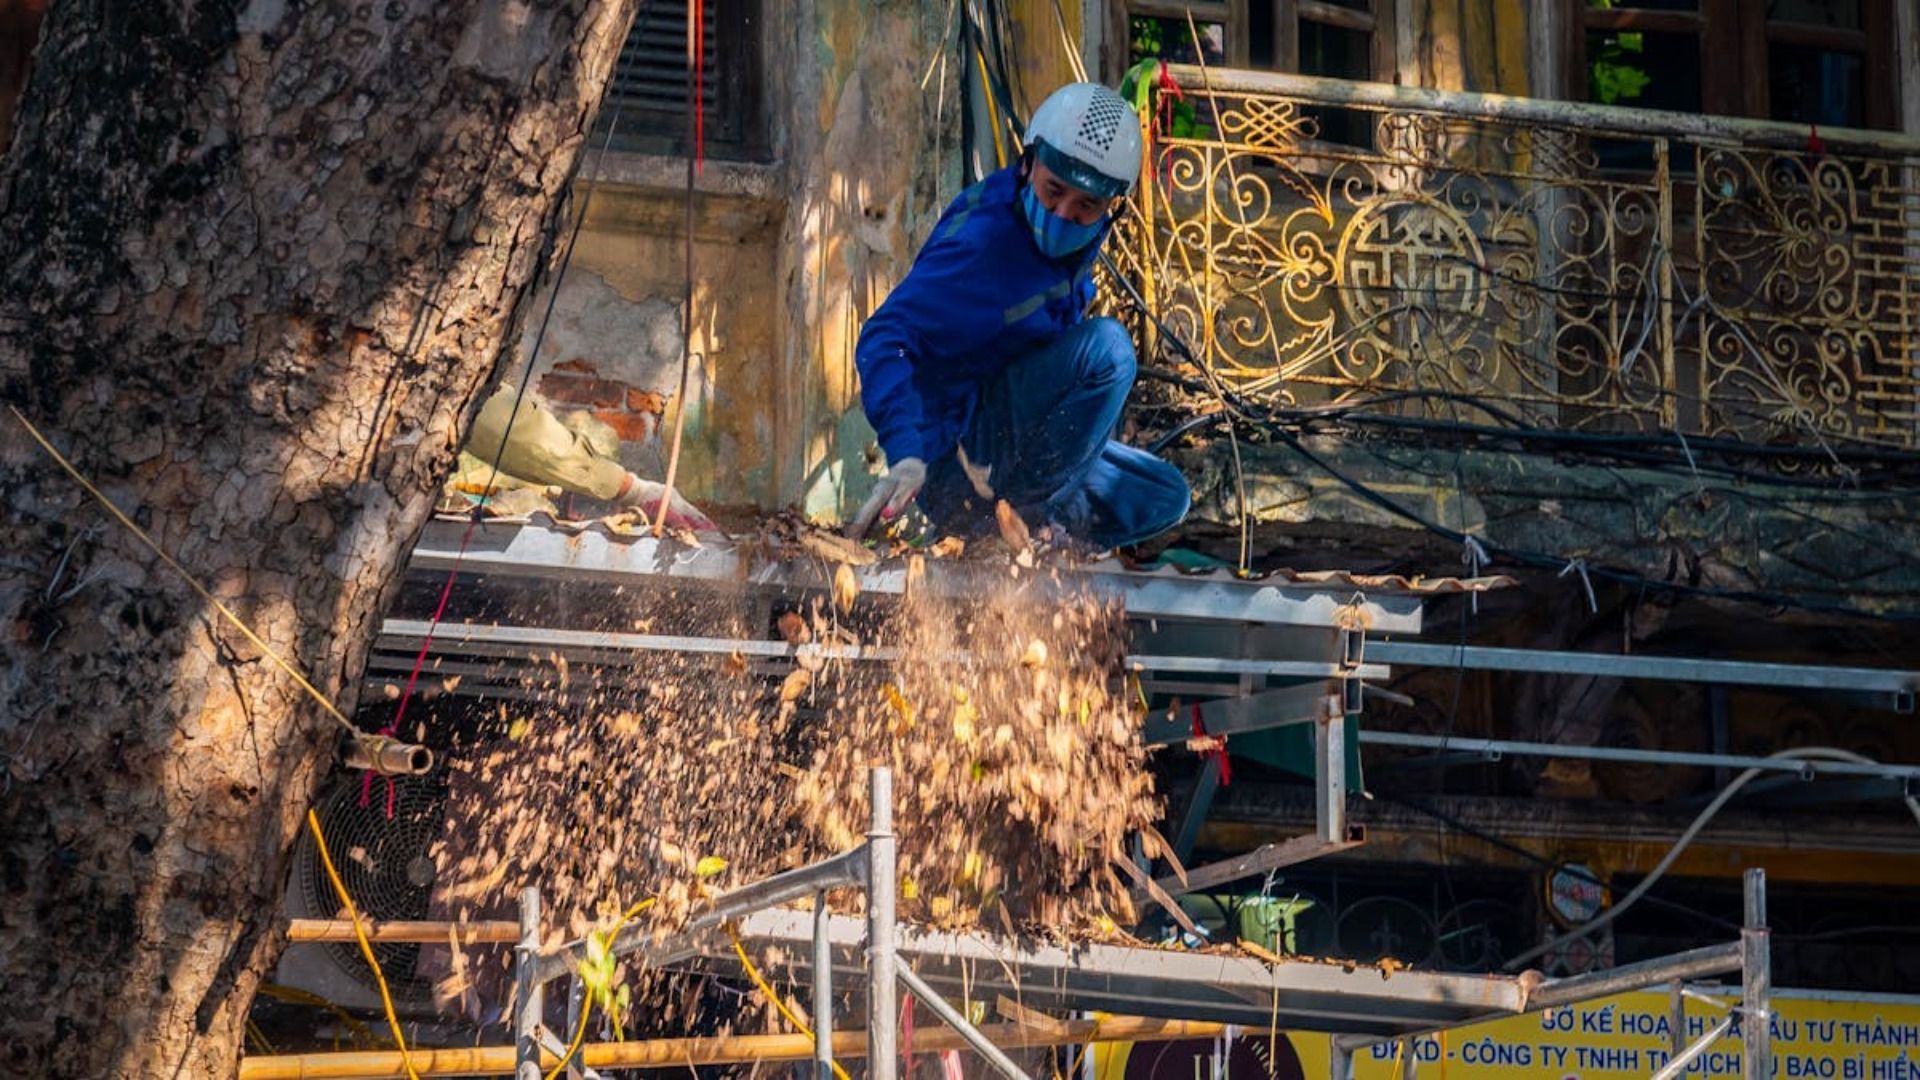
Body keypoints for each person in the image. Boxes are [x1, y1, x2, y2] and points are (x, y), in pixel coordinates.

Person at [846, 81, 1190, 550]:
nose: (1063, 214)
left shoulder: (1076, 250)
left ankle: (1041, 532)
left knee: (1164, 496)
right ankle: (1015, 528)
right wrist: (906, 452)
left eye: (1086, 205)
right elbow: (886, 336)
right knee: (1109, 351)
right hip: (958, 461)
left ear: (1112, 208)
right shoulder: (982, 244)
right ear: (1028, 164)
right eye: (1053, 191)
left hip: (1012, 453)